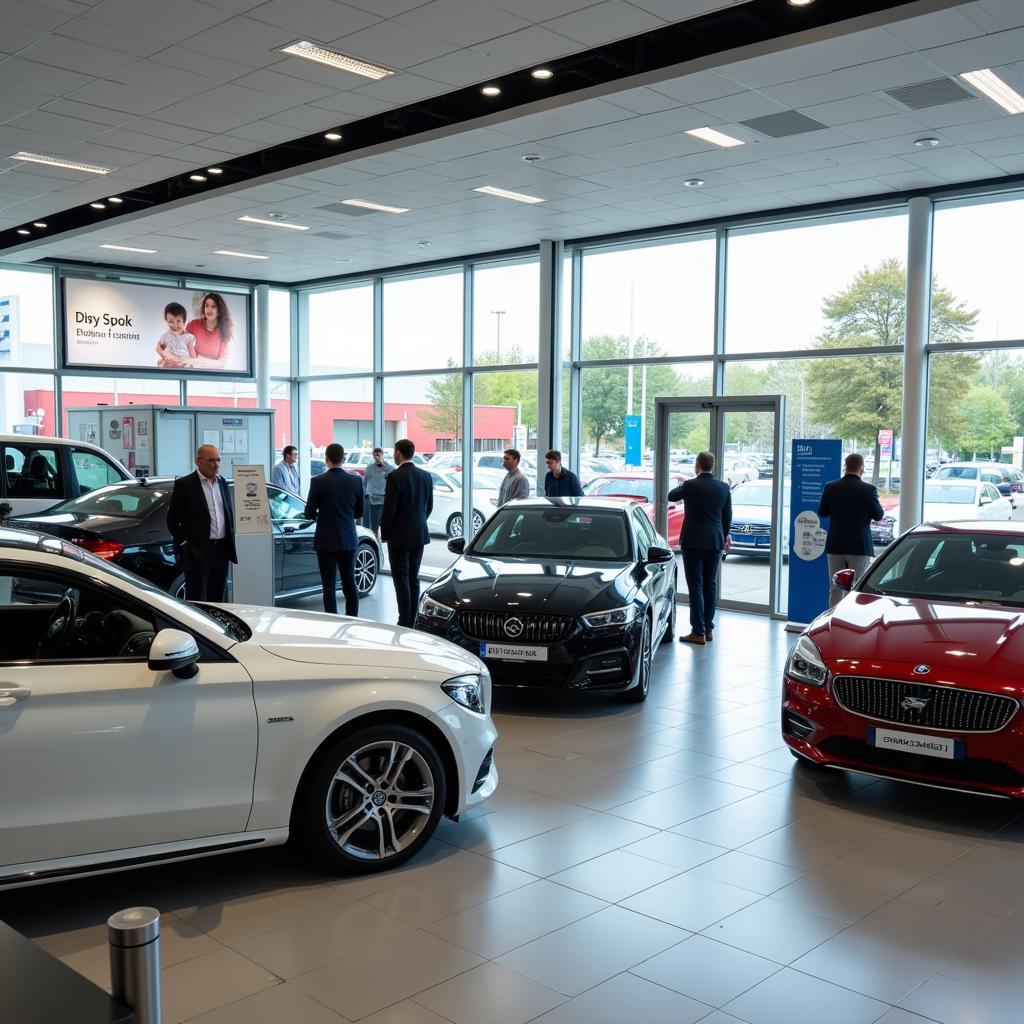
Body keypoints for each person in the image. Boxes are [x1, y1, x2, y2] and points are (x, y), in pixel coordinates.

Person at [668, 451, 732, 645]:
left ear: (697, 465)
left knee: (695, 586)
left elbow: (672, 496)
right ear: (712, 466)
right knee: (709, 584)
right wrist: (725, 534)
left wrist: (686, 483)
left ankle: (698, 632)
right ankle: (708, 628)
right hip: (714, 541)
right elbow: (727, 515)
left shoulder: (690, 485)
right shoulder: (723, 487)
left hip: (693, 542)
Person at [166, 444, 237, 602]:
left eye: (218, 460)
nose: (216, 464)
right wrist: (185, 544)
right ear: (198, 461)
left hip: (221, 551)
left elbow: (226, 514)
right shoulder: (185, 485)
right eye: (211, 460)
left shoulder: (222, 483)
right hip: (197, 552)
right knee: (197, 599)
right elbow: (172, 521)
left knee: (218, 598)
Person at [304, 443, 364, 616]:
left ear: (326, 459)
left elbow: (308, 512)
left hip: (326, 540)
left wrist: (321, 516)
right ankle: (352, 619)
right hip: (347, 538)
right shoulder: (355, 481)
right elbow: (359, 512)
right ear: (343, 459)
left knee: (328, 586)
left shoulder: (317, 481)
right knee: (349, 583)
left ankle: (331, 621)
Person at [818, 452, 885, 608]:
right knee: (855, 589)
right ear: (861, 468)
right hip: (859, 546)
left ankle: (833, 621)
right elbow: (878, 515)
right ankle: (851, 622)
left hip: (835, 546)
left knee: (835, 588)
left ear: (845, 467)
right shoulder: (868, 490)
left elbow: (822, 512)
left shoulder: (831, 487)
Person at [380, 438, 433, 627]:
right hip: (419, 534)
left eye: (394, 452)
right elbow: (429, 507)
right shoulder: (425, 475)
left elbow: (389, 510)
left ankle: (404, 620)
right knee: (413, 577)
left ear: (398, 453)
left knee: (401, 579)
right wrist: (417, 523)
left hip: (399, 537)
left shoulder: (395, 476)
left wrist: (384, 533)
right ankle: (412, 618)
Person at [186, 292, 234, 367]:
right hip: (193, 369)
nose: (209, 309)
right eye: (207, 306)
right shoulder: (193, 324)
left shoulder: (224, 331)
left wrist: (200, 362)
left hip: (213, 372)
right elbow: (182, 347)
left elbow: (222, 363)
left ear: (220, 311)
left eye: (213, 306)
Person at [362, 447, 393, 538]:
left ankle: (382, 538)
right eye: (375, 455)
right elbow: (365, 483)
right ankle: (373, 539)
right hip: (372, 499)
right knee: (372, 526)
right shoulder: (370, 468)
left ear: (382, 455)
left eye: (378, 455)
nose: (376, 457)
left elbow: (392, 481)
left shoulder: (389, 467)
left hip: (384, 499)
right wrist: (366, 494)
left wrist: (383, 464)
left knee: (384, 525)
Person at [155, 302, 195, 368]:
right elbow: (159, 348)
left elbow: (193, 358)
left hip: (183, 364)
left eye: (178, 321)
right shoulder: (166, 336)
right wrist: (163, 357)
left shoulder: (188, 338)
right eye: (171, 321)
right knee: (161, 362)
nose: (175, 325)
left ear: (184, 321)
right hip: (169, 364)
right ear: (166, 320)